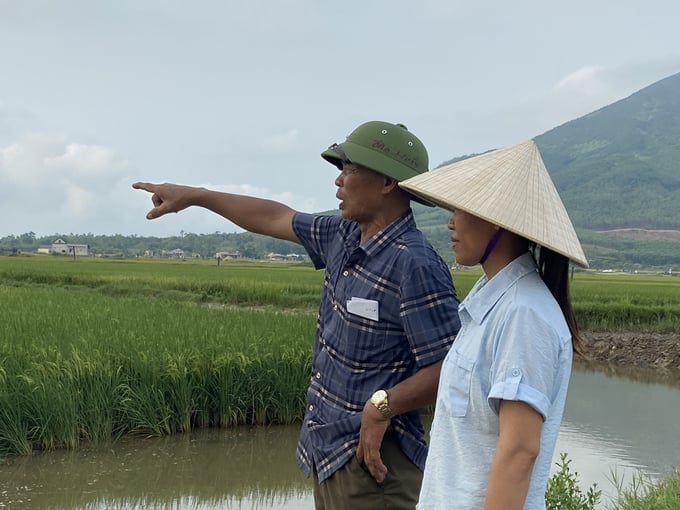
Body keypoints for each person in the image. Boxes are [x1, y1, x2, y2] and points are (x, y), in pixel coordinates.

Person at [132, 120, 461, 510]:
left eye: (349, 169)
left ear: (387, 183)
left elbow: (452, 366)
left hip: (376, 463)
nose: (338, 180)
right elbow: (274, 217)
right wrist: (196, 196)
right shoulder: (342, 235)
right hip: (329, 452)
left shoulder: (415, 264)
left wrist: (381, 407)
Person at [399, 140, 589, 510]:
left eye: (462, 209)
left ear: (500, 223)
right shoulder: (493, 301)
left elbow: (519, 451)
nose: (450, 222)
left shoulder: (523, 313)